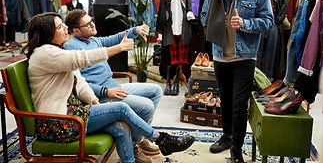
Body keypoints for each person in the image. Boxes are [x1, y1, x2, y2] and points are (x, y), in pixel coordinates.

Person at [23, 12, 195, 163]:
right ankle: (161, 139)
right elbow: (83, 59)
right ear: (47, 33)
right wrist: (119, 48)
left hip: (75, 112)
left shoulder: (58, 51)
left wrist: (95, 103)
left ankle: (133, 156)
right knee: (121, 108)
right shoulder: (44, 54)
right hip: (59, 122)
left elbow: (80, 83)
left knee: (120, 127)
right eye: (59, 26)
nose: (64, 28)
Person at [200, 0, 274, 163]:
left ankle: (236, 149)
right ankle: (226, 136)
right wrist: (214, 21)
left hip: (244, 57)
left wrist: (245, 23)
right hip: (220, 54)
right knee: (225, 100)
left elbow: (268, 22)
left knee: (240, 104)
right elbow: (204, 15)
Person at [63, 9, 163, 163]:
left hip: (114, 87)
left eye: (92, 20)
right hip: (100, 95)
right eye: (88, 24)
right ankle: (136, 144)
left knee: (155, 90)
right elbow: (77, 83)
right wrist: (105, 91)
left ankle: (137, 138)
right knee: (147, 106)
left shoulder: (93, 40)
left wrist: (135, 30)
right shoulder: (71, 48)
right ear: (76, 30)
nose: (92, 25)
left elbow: (116, 38)